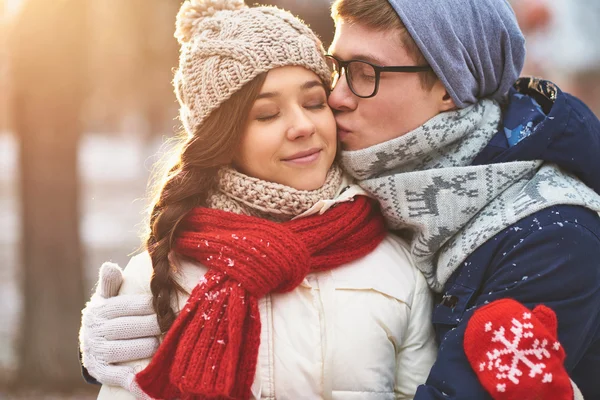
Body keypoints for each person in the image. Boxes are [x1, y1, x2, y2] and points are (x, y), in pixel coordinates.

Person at [81, 0, 600, 398]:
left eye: (366, 73)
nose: (335, 99)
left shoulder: (551, 238)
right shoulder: (378, 178)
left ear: (449, 87)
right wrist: (144, 321)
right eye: (338, 69)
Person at [80, 1, 437, 399]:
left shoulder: (395, 262)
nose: (302, 126)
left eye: (315, 102)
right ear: (223, 138)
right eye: (267, 114)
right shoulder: (160, 274)